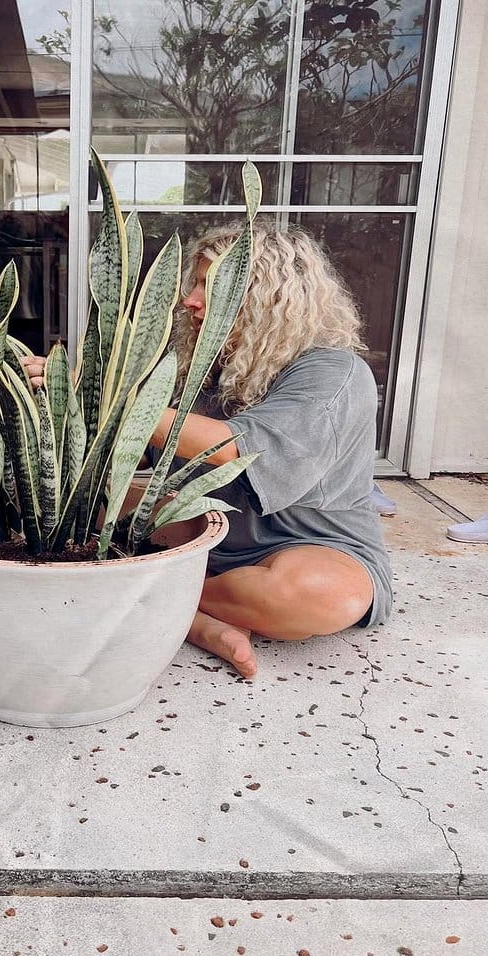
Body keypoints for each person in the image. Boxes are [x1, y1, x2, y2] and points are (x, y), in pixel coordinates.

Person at [149, 223, 392, 678]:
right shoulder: (199, 368)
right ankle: (202, 620)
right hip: (205, 541)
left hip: (308, 547)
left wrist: (115, 405)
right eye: (193, 284)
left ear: (268, 299)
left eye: (208, 286)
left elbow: (241, 448)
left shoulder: (336, 372)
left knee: (316, 594)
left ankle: (169, 607)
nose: (189, 300)